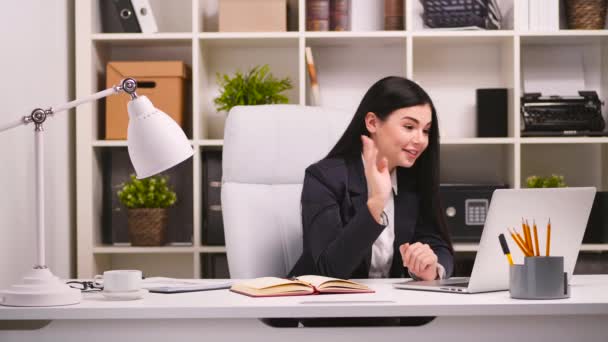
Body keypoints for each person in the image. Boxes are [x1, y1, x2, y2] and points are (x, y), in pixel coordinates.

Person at [289, 76, 454, 281]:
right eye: (409, 127)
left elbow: (438, 244)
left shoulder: (412, 180)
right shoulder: (324, 178)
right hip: (325, 307)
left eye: (426, 130)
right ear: (372, 122)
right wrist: (376, 203)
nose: (420, 140)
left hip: (388, 307)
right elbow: (328, 271)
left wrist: (430, 266)